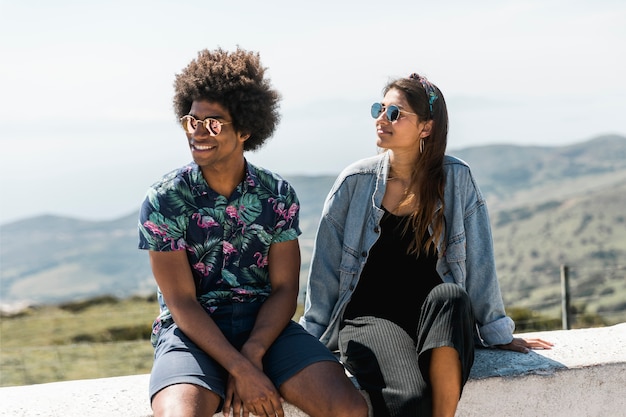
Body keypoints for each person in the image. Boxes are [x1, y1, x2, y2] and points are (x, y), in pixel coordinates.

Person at [299, 73, 553, 417]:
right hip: (370, 318)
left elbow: (479, 261)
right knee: (410, 400)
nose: (381, 119)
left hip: (436, 320)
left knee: (451, 296)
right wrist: (311, 340)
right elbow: (326, 271)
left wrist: (497, 331)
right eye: (379, 108)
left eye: (394, 113)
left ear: (426, 128)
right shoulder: (354, 183)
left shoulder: (456, 179)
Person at [138, 47, 368, 417]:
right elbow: (181, 302)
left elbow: (283, 289)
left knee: (349, 408)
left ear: (244, 129)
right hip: (191, 332)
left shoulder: (276, 195)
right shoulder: (165, 199)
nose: (198, 132)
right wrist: (242, 369)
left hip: (265, 328)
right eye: (191, 121)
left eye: (213, 123)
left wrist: (254, 352)